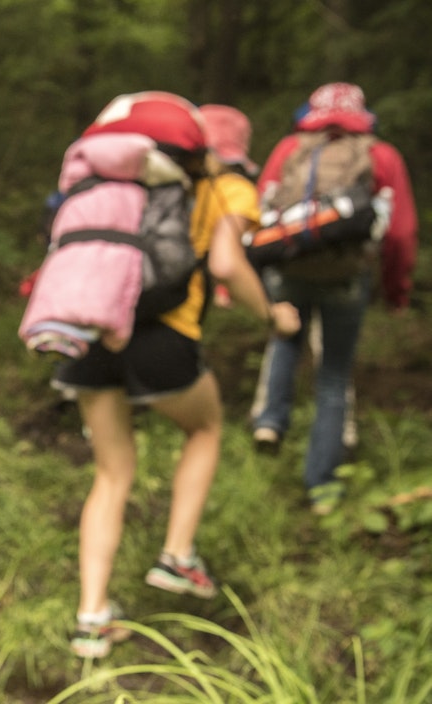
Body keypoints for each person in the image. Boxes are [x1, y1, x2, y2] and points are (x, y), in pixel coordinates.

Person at [53, 97, 300, 659]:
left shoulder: (115, 181)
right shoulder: (226, 186)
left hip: (92, 328)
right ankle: (178, 556)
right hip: (162, 334)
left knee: (111, 474)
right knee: (206, 427)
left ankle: (91, 620)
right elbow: (225, 265)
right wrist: (271, 316)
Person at [249, 83, 418, 515]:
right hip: (347, 276)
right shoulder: (381, 155)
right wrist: (396, 289)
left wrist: (241, 278)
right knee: (334, 377)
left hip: (287, 270)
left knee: (285, 339)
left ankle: (270, 421)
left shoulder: (291, 147)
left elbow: (257, 212)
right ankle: (322, 486)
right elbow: (399, 233)